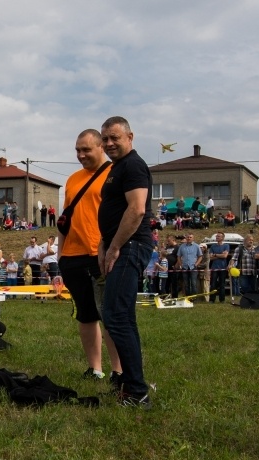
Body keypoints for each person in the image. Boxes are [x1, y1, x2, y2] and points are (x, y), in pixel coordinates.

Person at [57, 128, 122, 383]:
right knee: (86, 315)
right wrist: (61, 254)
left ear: (101, 148)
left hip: (101, 255)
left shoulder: (114, 174)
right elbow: (64, 220)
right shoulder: (73, 179)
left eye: (86, 149)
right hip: (72, 257)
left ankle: (119, 371)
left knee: (110, 315)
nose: (81, 155)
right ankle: (95, 369)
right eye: (77, 150)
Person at [97, 116, 153, 408]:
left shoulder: (133, 165)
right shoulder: (115, 168)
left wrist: (115, 246)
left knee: (116, 317)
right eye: (105, 139)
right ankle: (132, 384)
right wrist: (104, 243)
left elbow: (137, 209)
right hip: (120, 246)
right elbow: (115, 210)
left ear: (130, 136)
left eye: (114, 138)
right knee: (122, 318)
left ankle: (136, 391)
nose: (108, 144)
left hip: (130, 246)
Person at [229, 234, 257, 298]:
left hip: (253, 272)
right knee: (244, 287)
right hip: (243, 272)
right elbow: (234, 258)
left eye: (252, 240)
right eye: (249, 240)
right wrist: (231, 265)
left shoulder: (255, 249)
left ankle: (252, 299)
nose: (251, 241)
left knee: (253, 287)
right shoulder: (239, 249)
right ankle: (247, 298)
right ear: (245, 241)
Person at [208, 232, 229, 303]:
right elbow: (210, 258)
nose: (217, 237)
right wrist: (220, 255)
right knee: (213, 284)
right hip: (214, 268)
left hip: (223, 268)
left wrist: (215, 255)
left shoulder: (226, 246)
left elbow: (225, 256)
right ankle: (212, 299)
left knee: (222, 284)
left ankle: (222, 299)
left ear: (222, 238)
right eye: (216, 236)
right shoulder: (213, 246)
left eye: (219, 236)